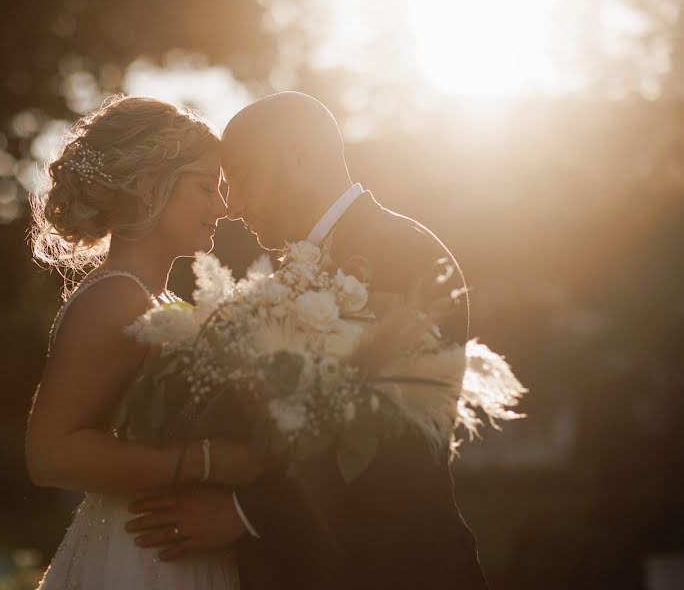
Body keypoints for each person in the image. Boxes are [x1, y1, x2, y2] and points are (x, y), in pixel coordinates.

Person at [125, 91, 489, 589]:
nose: (230, 206)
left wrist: (244, 512)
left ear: (299, 157)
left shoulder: (403, 253)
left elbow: (390, 436)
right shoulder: (293, 271)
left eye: (243, 177)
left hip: (396, 571)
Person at [26, 95, 259, 589]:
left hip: (174, 544)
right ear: (149, 187)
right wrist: (212, 460)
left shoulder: (158, 297)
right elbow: (49, 454)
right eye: (205, 187)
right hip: (139, 556)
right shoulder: (115, 299)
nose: (222, 207)